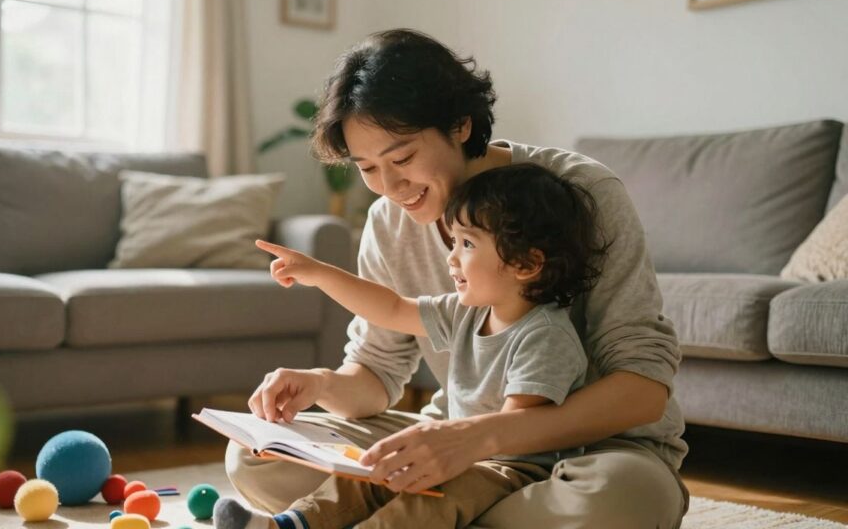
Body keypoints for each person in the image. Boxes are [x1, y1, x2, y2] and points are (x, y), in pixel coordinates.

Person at [226, 29, 689, 529]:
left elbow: (644, 387)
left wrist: (480, 438)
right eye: (368, 168)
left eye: (402, 159)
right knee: (256, 456)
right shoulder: (388, 221)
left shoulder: (579, 192)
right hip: (450, 445)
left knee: (617, 501)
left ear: (461, 124)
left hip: (589, 453)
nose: (390, 187)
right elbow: (376, 375)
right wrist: (317, 384)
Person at [214, 163, 602, 529]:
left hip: (508, 468)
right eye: (453, 242)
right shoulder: (467, 312)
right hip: (457, 446)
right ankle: (291, 523)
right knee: (371, 467)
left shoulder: (545, 335)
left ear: (526, 265)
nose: (451, 258)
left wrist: (445, 453)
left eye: (467, 244)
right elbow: (392, 307)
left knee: (431, 494)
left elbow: (513, 428)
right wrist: (319, 274)